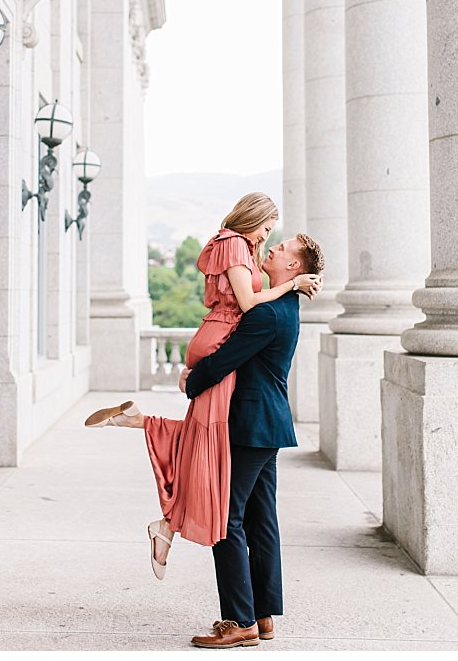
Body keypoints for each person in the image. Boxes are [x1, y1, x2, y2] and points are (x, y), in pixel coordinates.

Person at [83, 194, 320, 578]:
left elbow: (248, 307)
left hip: (227, 357)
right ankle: (168, 523)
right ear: (252, 220)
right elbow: (247, 303)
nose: (267, 239)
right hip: (225, 348)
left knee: (202, 442)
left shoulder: (242, 253)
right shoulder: (234, 247)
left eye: (274, 239)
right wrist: (290, 285)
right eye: (265, 229)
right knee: (205, 446)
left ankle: (141, 437)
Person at [184, 233, 324, 648]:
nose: (274, 249)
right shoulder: (285, 304)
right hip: (268, 425)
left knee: (227, 520)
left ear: (294, 267)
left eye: (282, 248)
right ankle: (262, 615)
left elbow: (225, 360)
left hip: (251, 425)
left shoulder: (266, 315)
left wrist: (192, 380)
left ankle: (238, 621)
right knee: (262, 521)